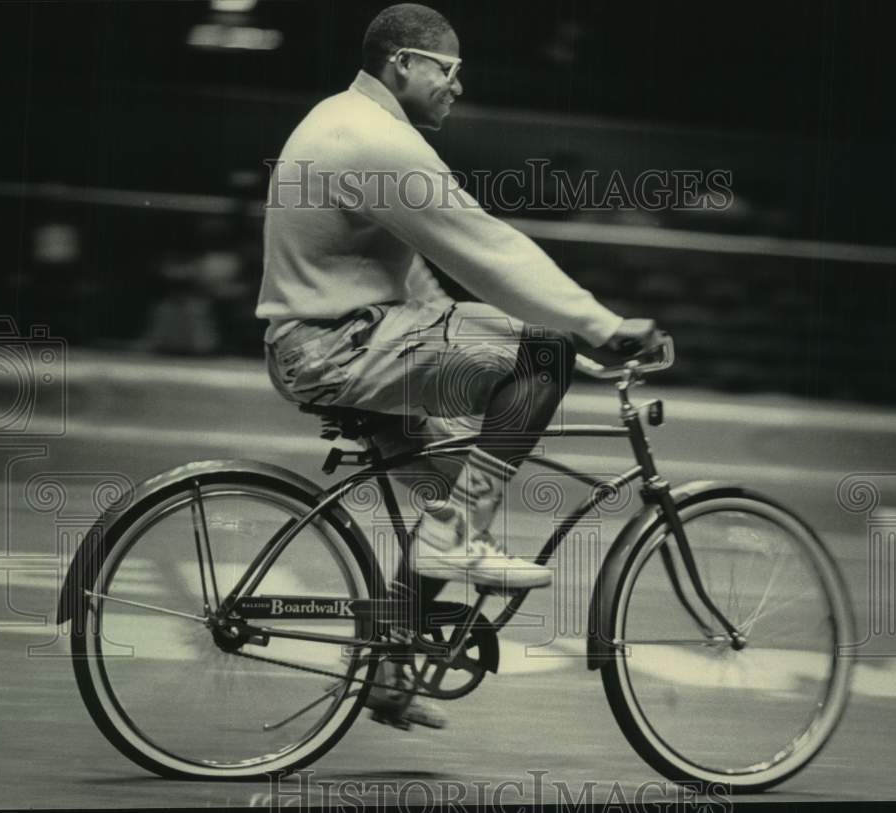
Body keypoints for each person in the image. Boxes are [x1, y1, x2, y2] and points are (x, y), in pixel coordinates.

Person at [256, 3, 657, 729]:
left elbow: (419, 286)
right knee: (542, 354)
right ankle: (457, 538)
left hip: (333, 340)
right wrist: (599, 327)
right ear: (403, 63)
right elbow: (489, 251)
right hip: (338, 347)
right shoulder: (376, 140)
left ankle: (388, 665)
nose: (458, 87)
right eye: (449, 71)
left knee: (448, 488)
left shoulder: (345, 120)